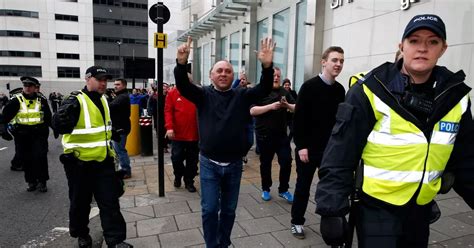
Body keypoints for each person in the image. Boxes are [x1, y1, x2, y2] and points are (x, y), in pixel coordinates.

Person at [315, 14, 474, 248]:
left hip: (420, 210)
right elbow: (340, 152)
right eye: (414, 41)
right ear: (401, 47)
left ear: (443, 49)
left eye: (432, 42)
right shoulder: (370, 90)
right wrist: (331, 210)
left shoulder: (456, 98)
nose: (422, 49)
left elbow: (467, 159)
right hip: (376, 209)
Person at [175, 36, 275, 248]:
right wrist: (181, 64)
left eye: (227, 71)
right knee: (210, 209)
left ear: (233, 76)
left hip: (234, 164)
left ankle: (223, 243)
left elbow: (264, 89)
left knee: (229, 210)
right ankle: (212, 245)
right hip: (209, 163)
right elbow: (183, 86)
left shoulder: (242, 96)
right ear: (211, 75)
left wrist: (267, 66)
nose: (223, 74)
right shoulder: (202, 95)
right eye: (219, 71)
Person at [52, 66, 131, 248]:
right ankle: (82, 235)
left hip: (103, 162)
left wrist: (113, 133)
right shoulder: (75, 101)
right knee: (80, 204)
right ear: (88, 79)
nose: (104, 83)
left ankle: (115, 241)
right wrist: (59, 120)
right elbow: (58, 124)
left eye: (105, 80)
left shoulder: (103, 100)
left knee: (110, 202)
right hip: (79, 164)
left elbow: (100, 127)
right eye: (99, 79)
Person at [289, 46, 346, 239]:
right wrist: (301, 146)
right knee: (303, 186)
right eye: (334, 60)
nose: (338, 64)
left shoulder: (340, 90)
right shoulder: (309, 87)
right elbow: (299, 119)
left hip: (330, 151)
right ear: (324, 62)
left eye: (341, 61)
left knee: (329, 189)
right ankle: (296, 221)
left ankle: (330, 226)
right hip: (308, 149)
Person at [250, 67, 296, 203]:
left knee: (287, 161)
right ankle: (266, 188)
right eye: (273, 75)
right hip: (264, 135)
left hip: (281, 136)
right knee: (266, 163)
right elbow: (252, 111)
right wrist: (271, 106)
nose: (276, 78)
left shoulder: (284, 92)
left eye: (278, 76)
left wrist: (287, 105)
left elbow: (297, 107)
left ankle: (283, 190)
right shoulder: (259, 91)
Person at [2, 76, 52, 192]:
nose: (27, 88)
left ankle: (42, 181)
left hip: (39, 134)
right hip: (22, 135)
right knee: (27, 159)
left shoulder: (41, 100)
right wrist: (3, 130)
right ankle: (31, 182)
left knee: (40, 157)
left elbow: (48, 116)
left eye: (30, 86)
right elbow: (4, 117)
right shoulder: (16, 100)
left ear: (35, 88)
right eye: (25, 86)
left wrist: (55, 128)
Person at [164, 77, 199, 192]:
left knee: (192, 161)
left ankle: (189, 181)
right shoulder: (172, 93)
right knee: (176, 158)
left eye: (189, 81)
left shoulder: (196, 93)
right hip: (177, 135)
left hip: (194, 135)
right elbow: (168, 111)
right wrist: (169, 128)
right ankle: (178, 175)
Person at [110, 78, 132, 179]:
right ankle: (123, 169)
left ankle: (126, 171)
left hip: (120, 128)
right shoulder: (120, 96)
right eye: (115, 84)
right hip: (120, 127)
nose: (115, 86)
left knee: (120, 150)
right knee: (119, 149)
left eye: (118, 84)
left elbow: (111, 106)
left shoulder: (122, 97)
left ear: (124, 85)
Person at [282, 78, 297, 143]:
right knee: (283, 131)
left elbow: (296, 102)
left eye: (288, 85)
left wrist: (290, 107)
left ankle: (287, 141)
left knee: (293, 130)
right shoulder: (281, 93)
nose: (287, 86)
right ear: (283, 85)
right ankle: (285, 143)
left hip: (291, 116)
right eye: (285, 85)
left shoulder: (293, 93)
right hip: (283, 116)